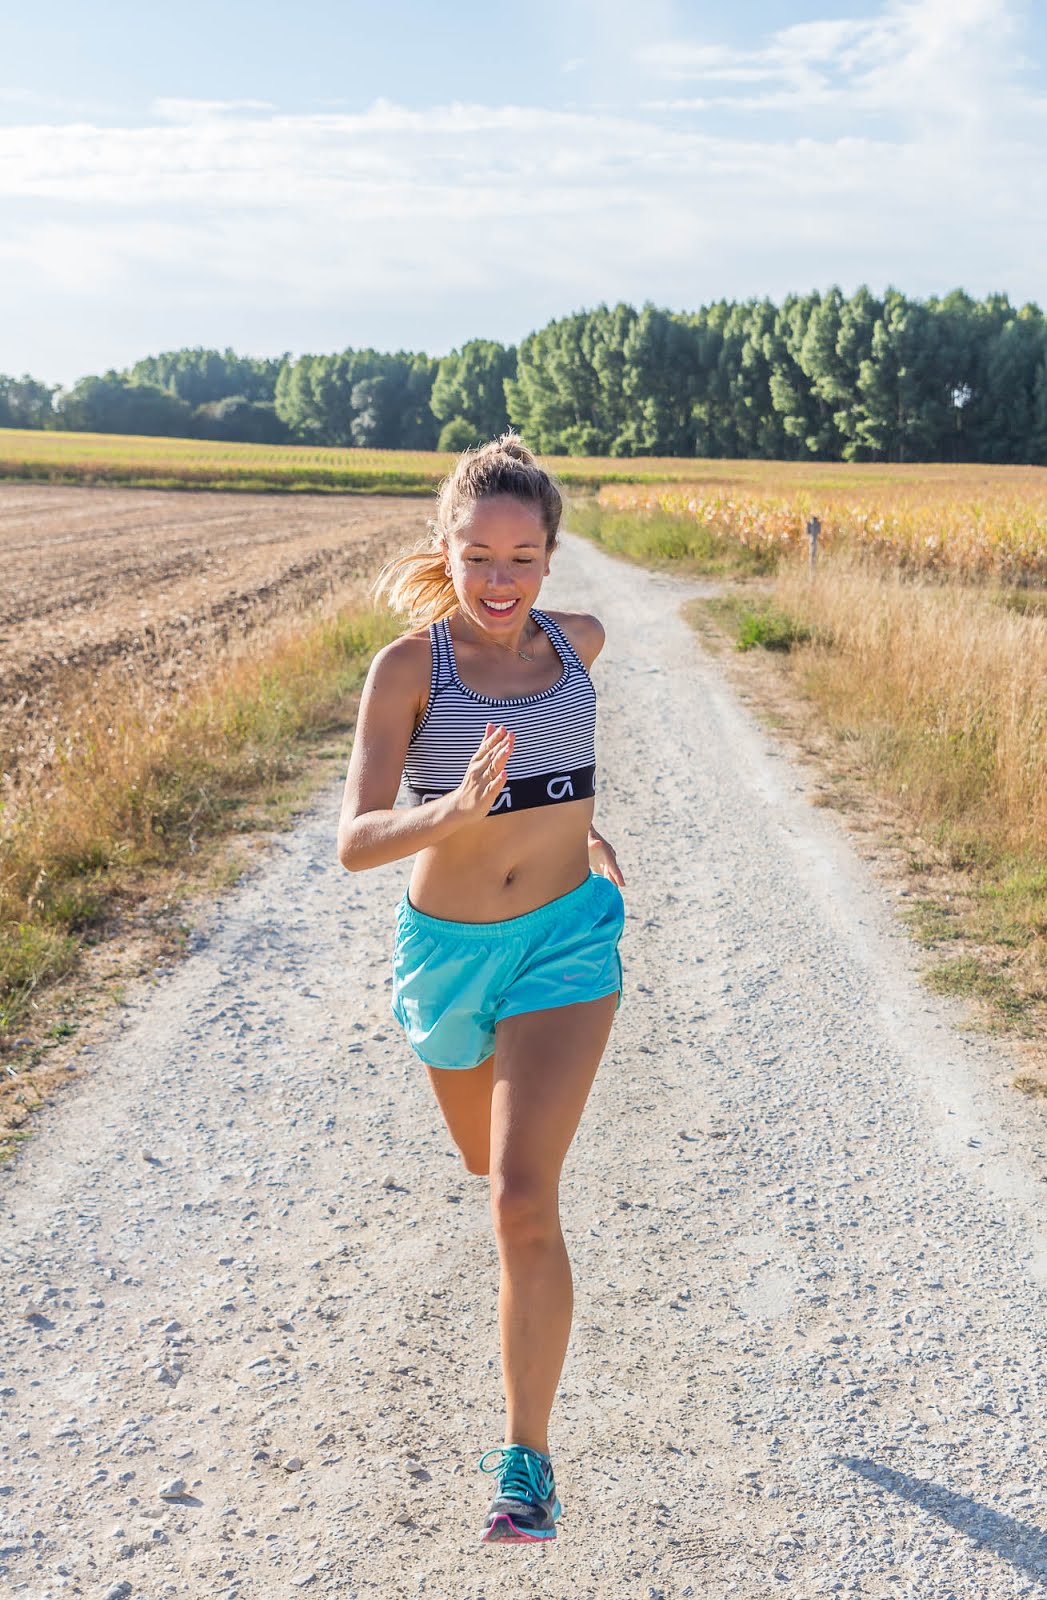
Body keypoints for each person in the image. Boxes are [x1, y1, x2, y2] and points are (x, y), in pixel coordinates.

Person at [336, 432, 626, 1545]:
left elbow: (559, 763)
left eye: (524, 557)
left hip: (566, 942)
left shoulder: (580, 642)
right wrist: (446, 816)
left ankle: (527, 1463)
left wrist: (578, 824)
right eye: (479, 557)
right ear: (446, 551)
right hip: (448, 954)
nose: (502, 581)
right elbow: (357, 839)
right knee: (480, 1160)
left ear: (551, 557)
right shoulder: (409, 669)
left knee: (516, 1197)